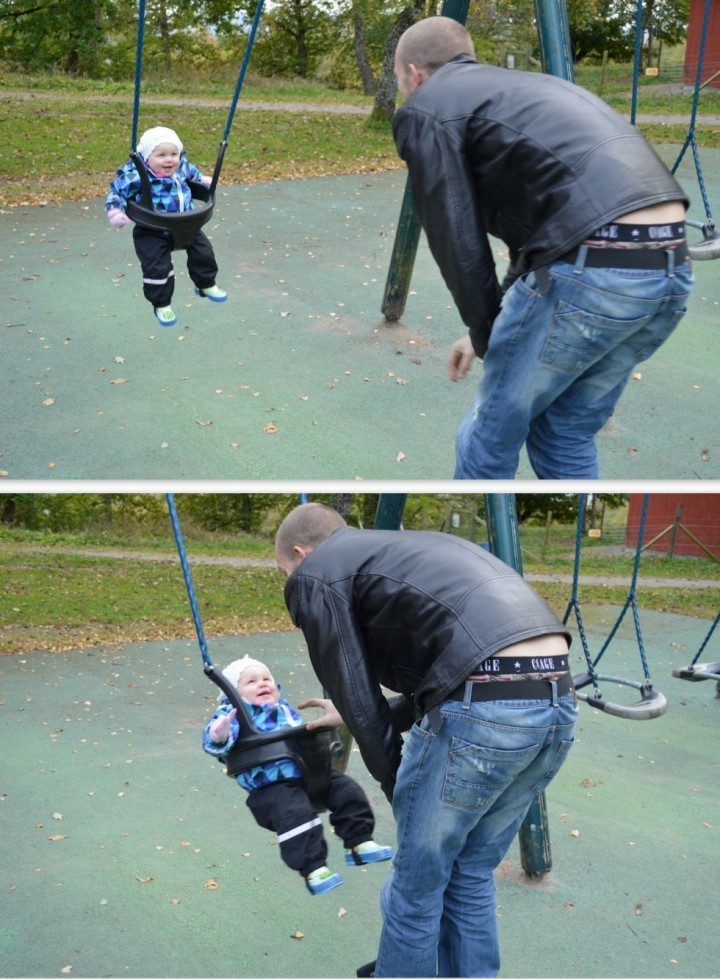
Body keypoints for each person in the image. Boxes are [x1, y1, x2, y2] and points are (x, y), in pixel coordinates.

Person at [275, 502, 578, 977]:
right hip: (555, 698)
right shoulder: (406, 548)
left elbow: (360, 694)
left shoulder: (315, 572)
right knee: (470, 874)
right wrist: (359, 713)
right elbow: (461, 671)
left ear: (300, 552)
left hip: (484, 709)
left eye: (285, 572)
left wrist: (404, 788)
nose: (292, 582)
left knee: (415, 888)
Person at [392, 17, 694, 480]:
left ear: (414, 73)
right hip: (668, 266)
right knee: (564, 433)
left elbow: (454, 233)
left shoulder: (427, 106)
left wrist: (487, 331)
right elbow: (541, 237)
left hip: (592, 271)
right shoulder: (526, 89)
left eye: (399, 82)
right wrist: (494, 327)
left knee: (487, 440)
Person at [202, 654, 393, 896]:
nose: (262, 684)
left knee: (348, 790)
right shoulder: (233, 714)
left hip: (309, 775)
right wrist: (220, 733)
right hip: (271, 789)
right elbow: (213, 741)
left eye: (266, 679)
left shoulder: (283, 708)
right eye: (251, 682)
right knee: (297, 815)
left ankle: (359, 841)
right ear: (232, 693)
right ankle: (313, 868)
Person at [105, 126, 227, 327]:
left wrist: (203, 180)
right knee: (158, 268)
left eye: (173, 154)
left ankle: (205, 285)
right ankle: (161, 304)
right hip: (152, 230)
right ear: (146, 158)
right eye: (161, 155)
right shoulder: (136, 174)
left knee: (204, 254)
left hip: (186, 225)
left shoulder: (182, 167)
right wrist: (115, 212)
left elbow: (193, 173)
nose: (169, 160)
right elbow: (116, 191)